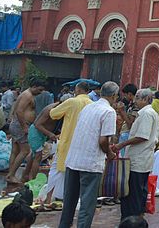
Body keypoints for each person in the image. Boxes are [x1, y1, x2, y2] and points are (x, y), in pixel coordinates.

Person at [58, 81, 119, 228]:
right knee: (87, 205)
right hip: (90, 163)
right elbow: (103, 140)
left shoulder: (88, 107)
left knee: (69, 202)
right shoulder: (109, 112)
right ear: (114, 96)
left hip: (74, 159)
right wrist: (110, 153)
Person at [114, 88, 159, 219]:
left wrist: (122, 144)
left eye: (137, 97)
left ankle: (132, 220)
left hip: (138, 160)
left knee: (134, 194)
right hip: (142, 159)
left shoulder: (147, 113)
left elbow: (142, 136)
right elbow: (158, 138)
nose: (135, 100)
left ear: (145, 99)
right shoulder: (148, 113)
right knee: (138, 192)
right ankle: (136, 218)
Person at [47, 81, 92, 201]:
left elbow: (53, 114)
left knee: (56, 169)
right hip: (82, 144)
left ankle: (49, 197)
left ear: (77, 90)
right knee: (73, 172)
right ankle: (66, 197)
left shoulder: (72, 101)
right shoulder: (92, 104)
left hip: (67, 141)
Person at [6, 79, 46, 184]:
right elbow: (19, 111)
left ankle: (10, 174)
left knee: (15, 151)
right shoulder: (27, 95)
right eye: (39, 89)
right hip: (20, 125)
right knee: (25, 151)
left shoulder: (25, 94)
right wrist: (24, 126)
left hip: (16, 124)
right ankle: (11, 175)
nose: (40, 92)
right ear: (34, 86)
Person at [25, 99, 61, 182]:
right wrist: (50, 134)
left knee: (34, 155)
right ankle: (32, 179)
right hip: (36, 132)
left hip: (41, 134)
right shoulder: (50, 110)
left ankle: (26, 175)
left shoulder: (56, 109)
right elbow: (37, 124)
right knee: (38, 156)